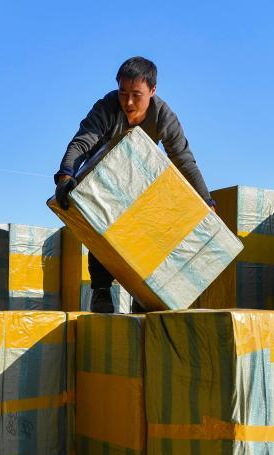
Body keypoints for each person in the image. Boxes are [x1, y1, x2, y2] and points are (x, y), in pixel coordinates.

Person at [55, 56, 215, 313]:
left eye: (136, 95)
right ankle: (101, 290)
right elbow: (82, 141)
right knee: (101, 223)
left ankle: (143, 295)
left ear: (152, 90)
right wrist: (66, 174)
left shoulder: (163, 115)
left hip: (139, 177)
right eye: (123, 93)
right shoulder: (107, 107)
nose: (128, 102)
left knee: (148, 228)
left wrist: (207, 202)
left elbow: (184, 159)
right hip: (103, 178)